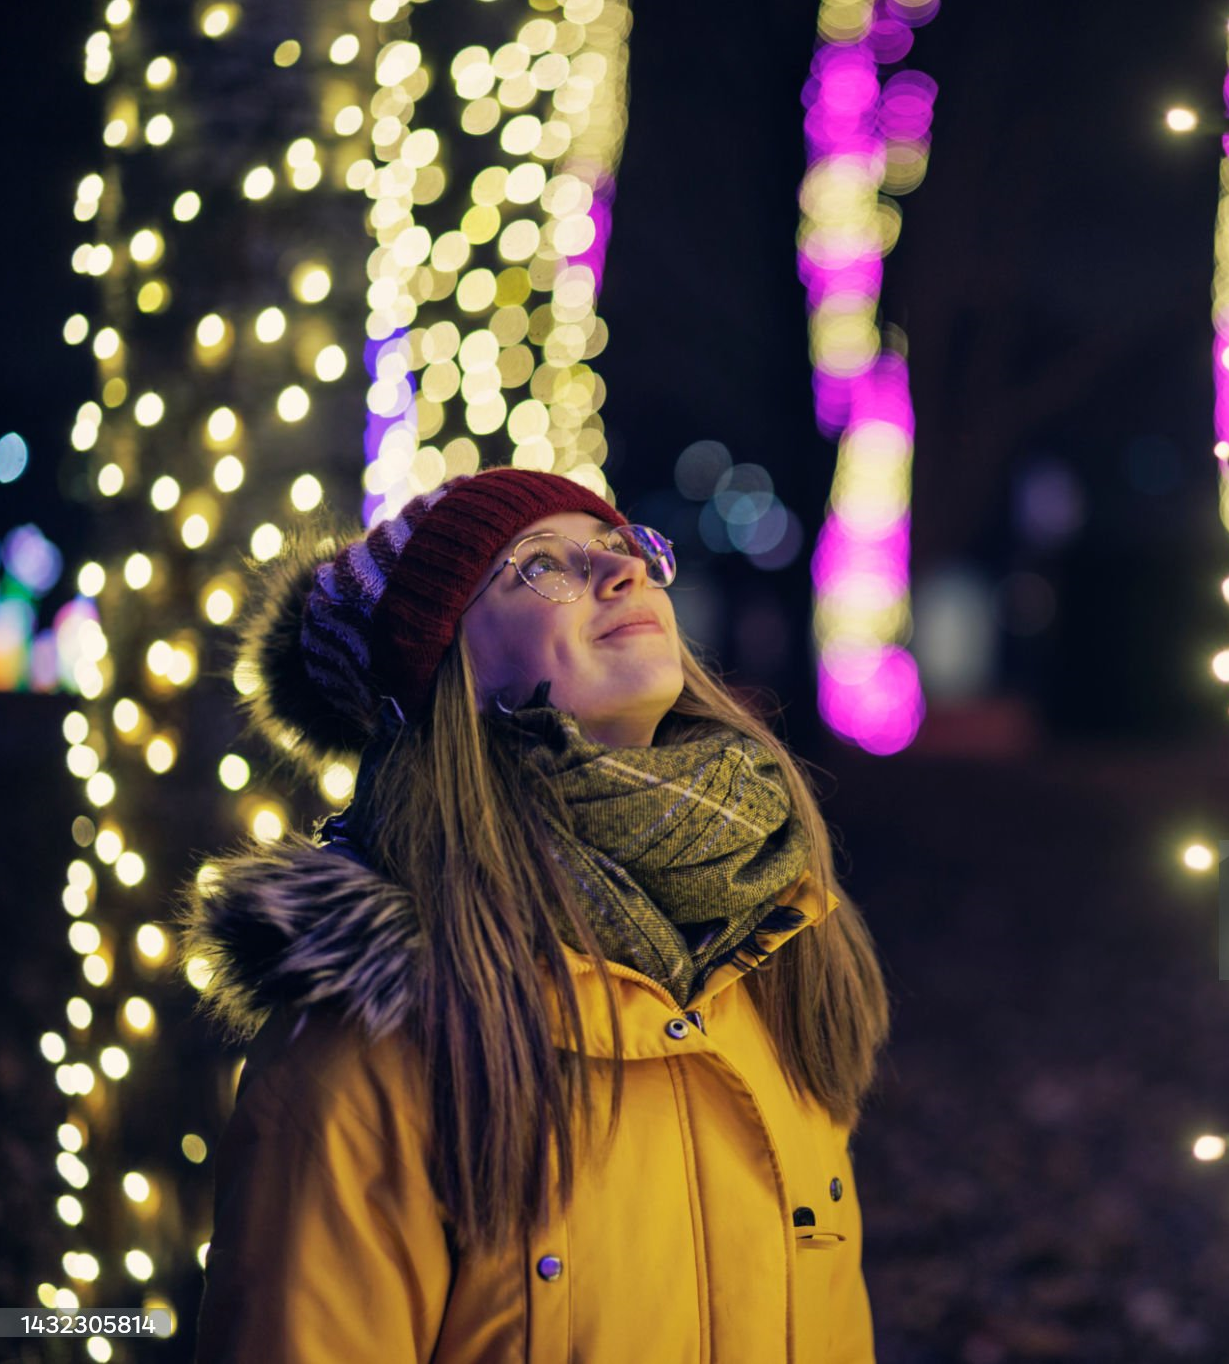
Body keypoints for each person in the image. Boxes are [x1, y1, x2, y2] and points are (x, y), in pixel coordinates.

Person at [180, 466, 891, 1363]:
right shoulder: (374, 1044)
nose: (619, 571)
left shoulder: (773, 933)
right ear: (449, 676)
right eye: (538, 566)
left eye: (622, 547)